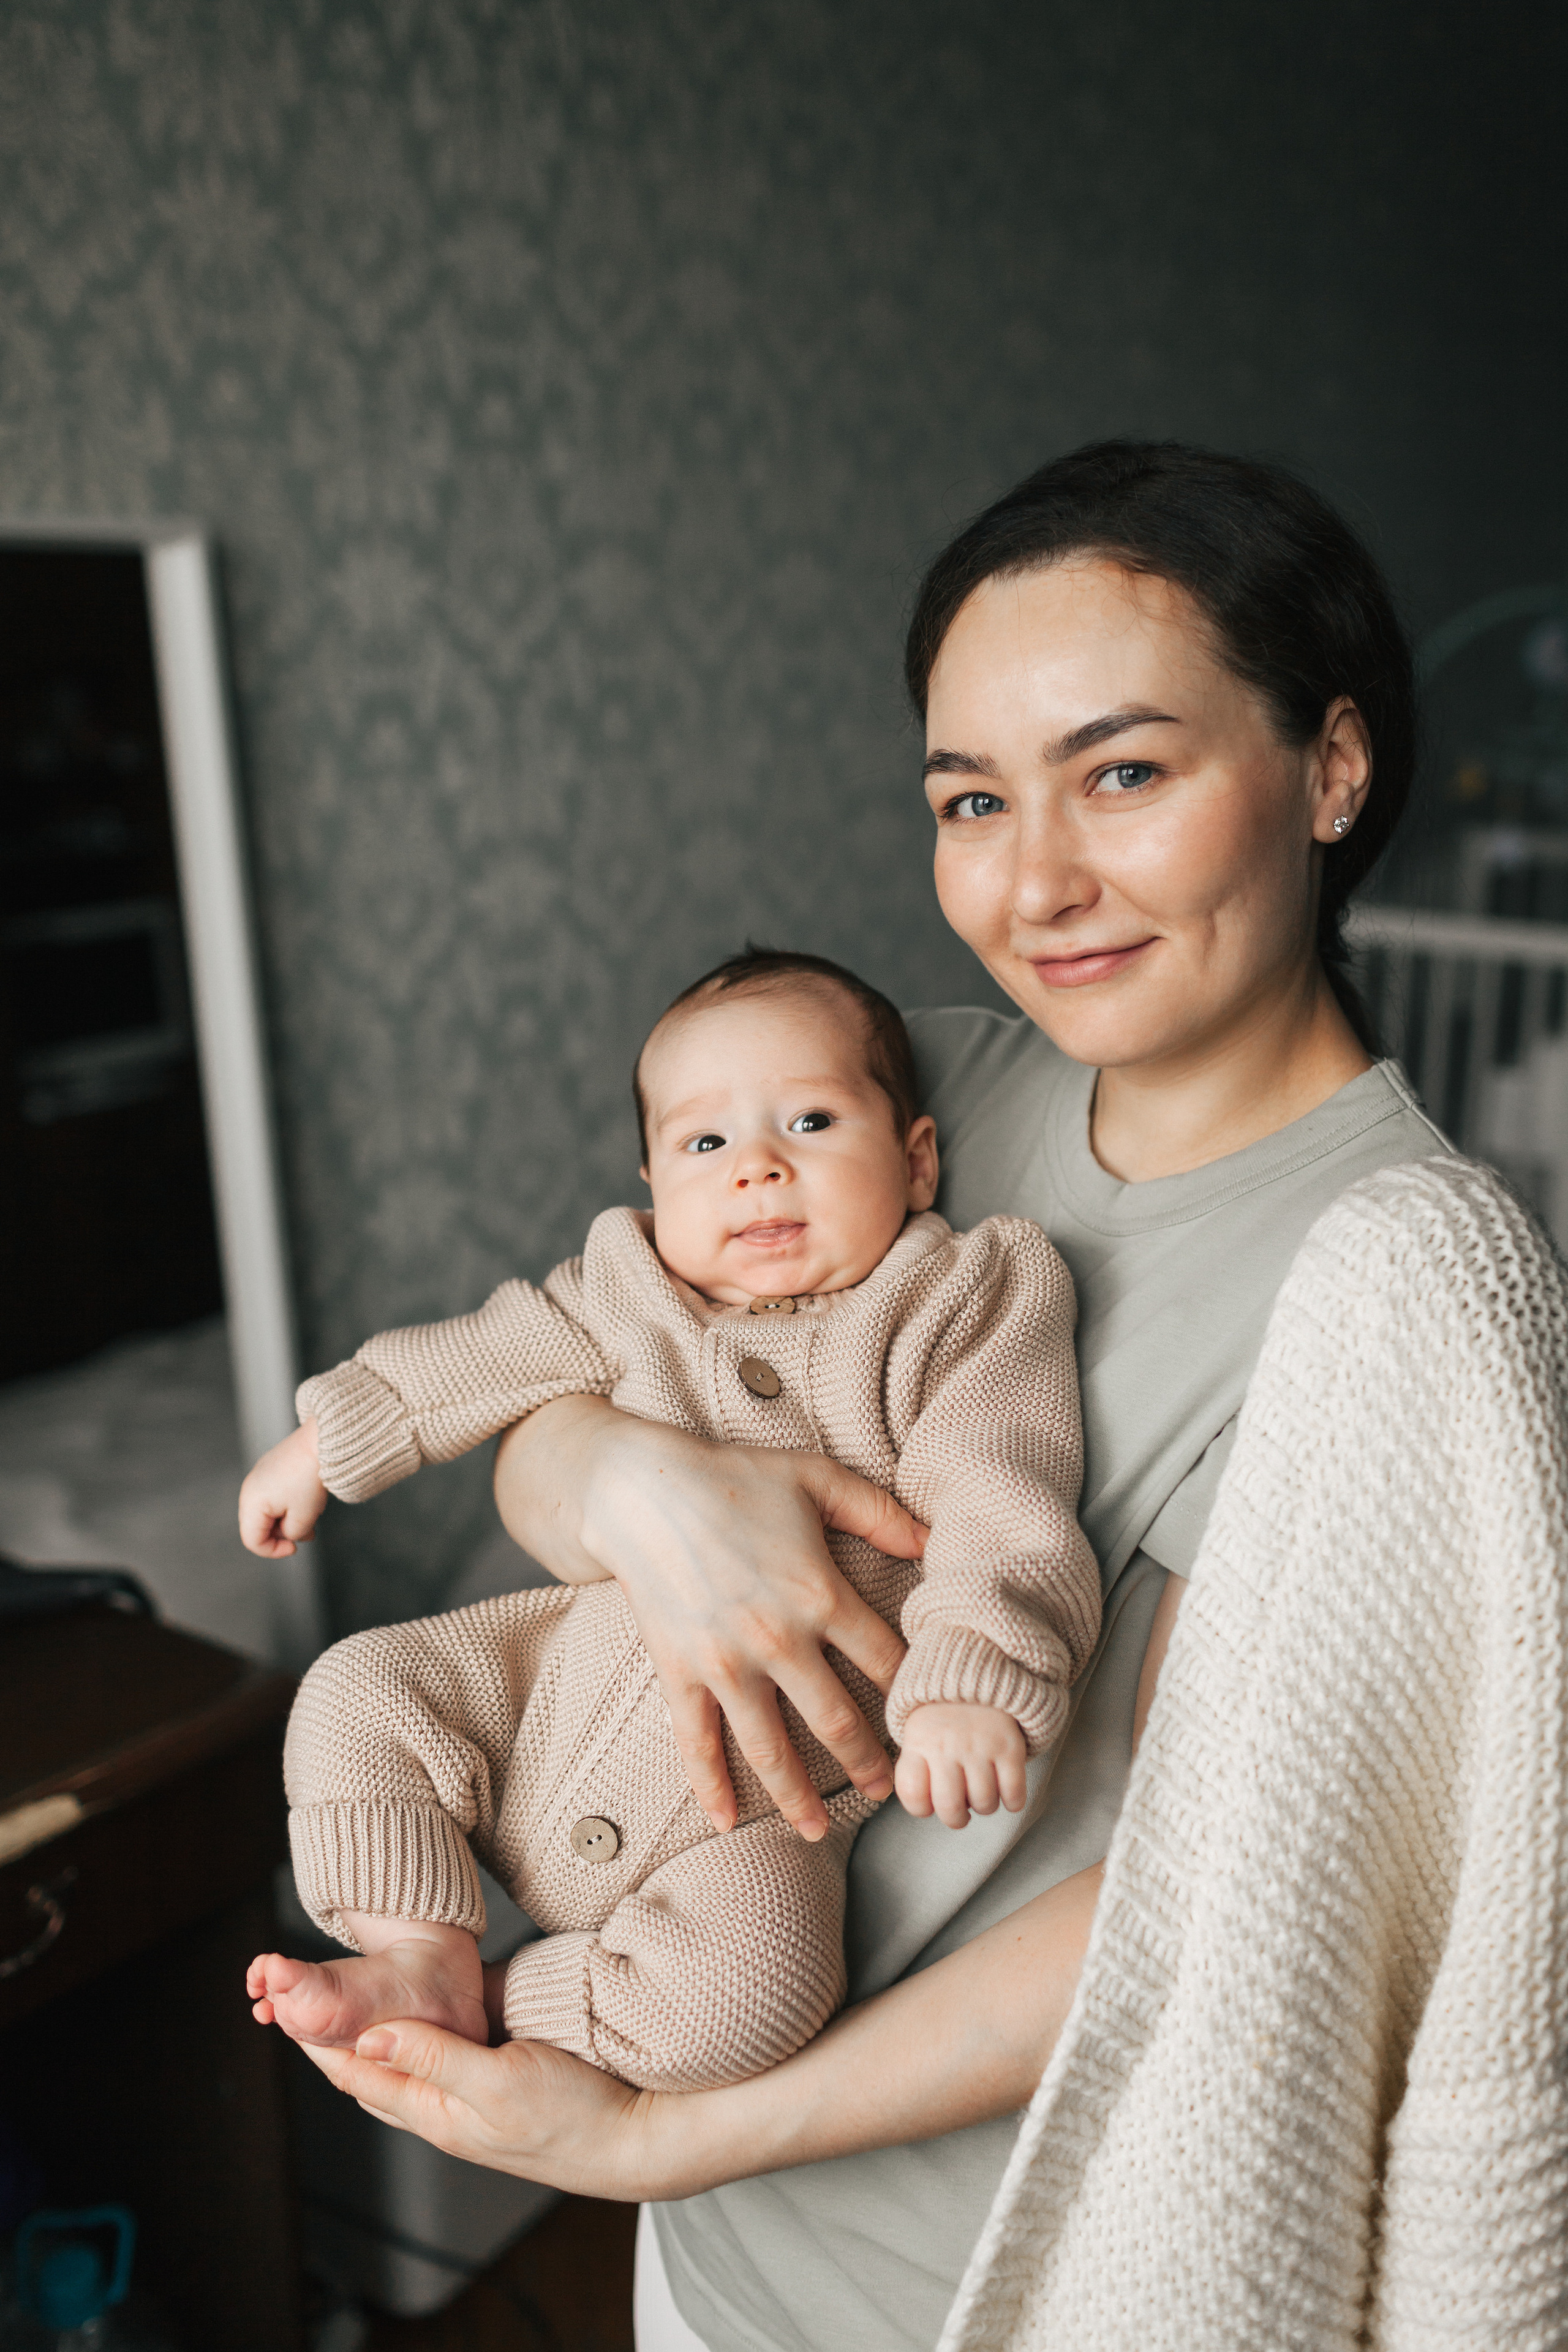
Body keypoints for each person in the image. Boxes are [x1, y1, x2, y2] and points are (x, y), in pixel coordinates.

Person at [298, 440, 1453, 2352]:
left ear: (1330, 768)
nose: (1035, 879)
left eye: (1128, 772)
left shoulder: (1396, 1287)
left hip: (966, 2271)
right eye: (973, 797)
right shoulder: (918, 1074)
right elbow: (565, 1393)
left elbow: (1199, 1911)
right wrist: (647, 1497)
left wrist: (672, 2137)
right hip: (714, 2241)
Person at [241, 949, 1099, 2090]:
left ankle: (508, 1999)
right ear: (652, 1183)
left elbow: (1003, 1492)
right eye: (706, 1145)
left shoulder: (959, 1302)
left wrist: (968, 1681)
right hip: (540, 1697)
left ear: (918, 1157)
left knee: (757, 1993)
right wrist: (333, 1440)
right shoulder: (626, 1287)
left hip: (756, 1809)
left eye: (809, 1121)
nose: (757, 1170)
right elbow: (484, 1356)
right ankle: (419, 1950)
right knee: (358, 1689)